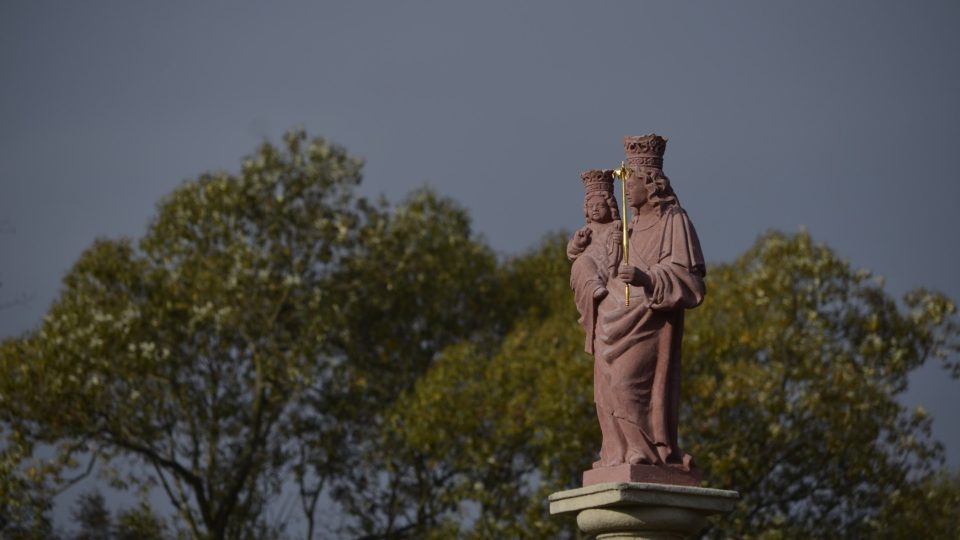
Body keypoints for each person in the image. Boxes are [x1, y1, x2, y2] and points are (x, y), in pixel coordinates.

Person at [574, 135, 706, 473]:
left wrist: (646, 278)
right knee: (606, 388)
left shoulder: (674, 221)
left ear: (651, 185)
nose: (626, 191)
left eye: (630, 184)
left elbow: (690, 282)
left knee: (627, 383)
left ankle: (644, 451)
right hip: (613, 318)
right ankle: (618, 451)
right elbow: (603, 265)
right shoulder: (628, 229)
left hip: (648, 320)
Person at [567, 170, 623, 355]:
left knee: (584, 263)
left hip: (608, 267)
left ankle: (597, 287)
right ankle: (594, 289)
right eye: (591, 206)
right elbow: (571, 253)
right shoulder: (586, 230)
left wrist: (620, 237)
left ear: (610, 206)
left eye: (600, 205)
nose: (595, 209)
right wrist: (578, 243)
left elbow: (626, 248)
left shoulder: (615, 227)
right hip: (589, 273)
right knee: (581, 262)